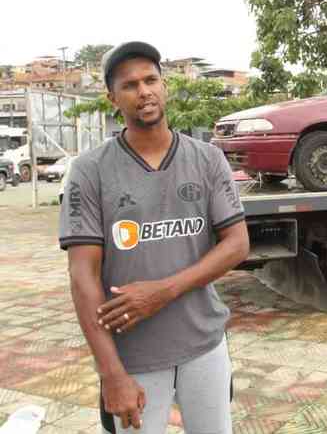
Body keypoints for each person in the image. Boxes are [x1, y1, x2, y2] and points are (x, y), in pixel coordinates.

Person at [59, 41, 249, 433]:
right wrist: (110, 372)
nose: (143, 91)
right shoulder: (89, 171)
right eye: (130, 85)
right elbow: (83, 277)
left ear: (165, 87)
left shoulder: (207, 158)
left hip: (205, 346)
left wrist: (163, 291)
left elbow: (237, 244)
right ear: (113, 98)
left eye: (151, 80)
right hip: (133, 359)